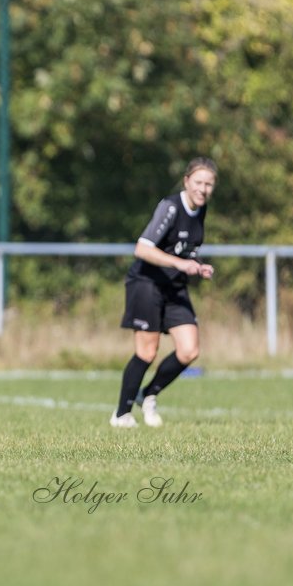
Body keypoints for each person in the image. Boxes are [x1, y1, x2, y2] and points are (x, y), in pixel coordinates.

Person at [110, 157, 218, 429]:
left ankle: (148, 394)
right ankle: (121, 414)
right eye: (198, 183)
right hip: (146, 283)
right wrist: (180, 263)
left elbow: (181, 249)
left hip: (174, 287)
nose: (203, 189)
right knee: (147, 352)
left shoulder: (200, 210)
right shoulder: (170, 207)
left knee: (189, 350)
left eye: (208, 184)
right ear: (186, 181)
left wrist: (197, 267)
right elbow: (143, 248)